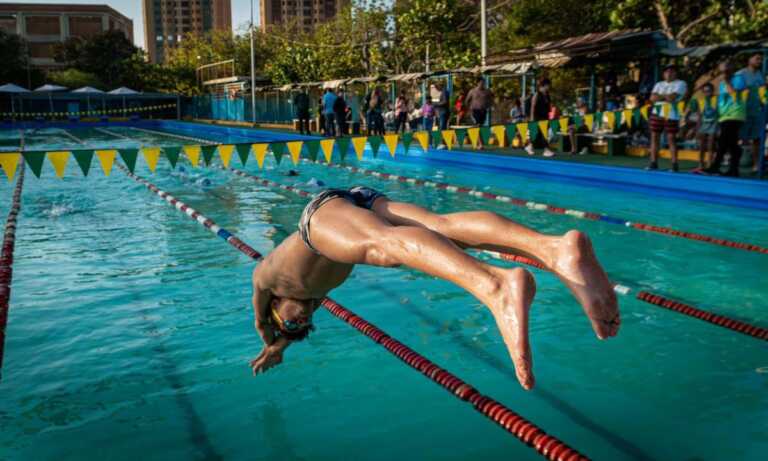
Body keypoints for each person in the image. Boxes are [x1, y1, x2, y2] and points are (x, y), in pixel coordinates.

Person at [249, 187, 620, 391]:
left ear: (274, 308)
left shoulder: (267, 279)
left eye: (289, 321)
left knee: (381, 246)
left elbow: (263, 324)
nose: (299, 320)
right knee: (440, 227)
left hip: (320, 216)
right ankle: (555, 249)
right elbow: (290, 327)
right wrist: (285, 345)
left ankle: (496, 285)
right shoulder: (316, 294)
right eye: (302, 326)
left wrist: (270, 341)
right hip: (360, 200)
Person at [705, 61, 748, 177]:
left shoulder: (738, 78)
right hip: (724, 116)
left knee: (723, 141)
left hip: (735, 114)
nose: (723, 73)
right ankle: (734, 170)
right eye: (721, 70)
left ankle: (715, 166)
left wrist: (727, 80)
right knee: (731, 143)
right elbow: (721, 100)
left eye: (725, 70)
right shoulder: (721, 84)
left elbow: (734, 93)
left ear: (731, 69)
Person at [647, 64, 688, 172]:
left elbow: (672, 98)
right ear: (663, 74)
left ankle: (674, 165)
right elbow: (652, 98)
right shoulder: (658, 84)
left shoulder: (681, 83)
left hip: (672, 114)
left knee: (671, 139)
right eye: (667, 71)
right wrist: (666, 96)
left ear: (676, 73)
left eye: (672, 71)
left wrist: (660, 96)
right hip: (657, 113)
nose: (669, 73)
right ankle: (653, 163)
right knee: (654, 138)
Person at [736, 53, 766, 172]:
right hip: (743, 112)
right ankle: (734, 162)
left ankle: (756, 165)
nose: (760, 61)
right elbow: (735, 93)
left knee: (757, 139)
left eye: (761, 59)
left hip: (757, 112)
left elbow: (764, 93)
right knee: (739, 138)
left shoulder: (760, 75)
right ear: (749, 59)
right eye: (757, 58)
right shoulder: (740, 74)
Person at [690, 83, 718, 172]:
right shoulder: (701, 101)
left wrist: (718, 126)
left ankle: (710, 163)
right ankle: (701, 164)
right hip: (703, 124)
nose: (707, 93)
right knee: (701, 145)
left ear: (712, 91)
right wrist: (697, 129)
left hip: (714, 123)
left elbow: (719, 112)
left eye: (709, 91)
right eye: (705, 91)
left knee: (711, 144)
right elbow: (699, 115)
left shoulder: (716, 99)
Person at [526, 78, 556, 157]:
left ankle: (529, 146)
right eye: (548, 85)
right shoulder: (537, 94)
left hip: (545, 116)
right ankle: (546, 150)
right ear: (544, 85)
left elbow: (549, 106)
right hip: (537, 117)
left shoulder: (547, 95)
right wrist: (532, 118)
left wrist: (550, 116)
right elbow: (533, 106)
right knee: (543, 133)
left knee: (538, 134)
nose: (549, 87)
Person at [465, 77, 494, 148]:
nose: (482, 84)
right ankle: (480, 143)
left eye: (483, 83)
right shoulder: (472, 91)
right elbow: (467, 101)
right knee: (477, 125)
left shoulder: (487, 91)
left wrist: (492, 106)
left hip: (483, 110)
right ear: (477, 83)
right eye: (481, 82)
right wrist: (469, 110)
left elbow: (491, 100)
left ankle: (478, 142)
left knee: (479, 126)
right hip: (475, 110)